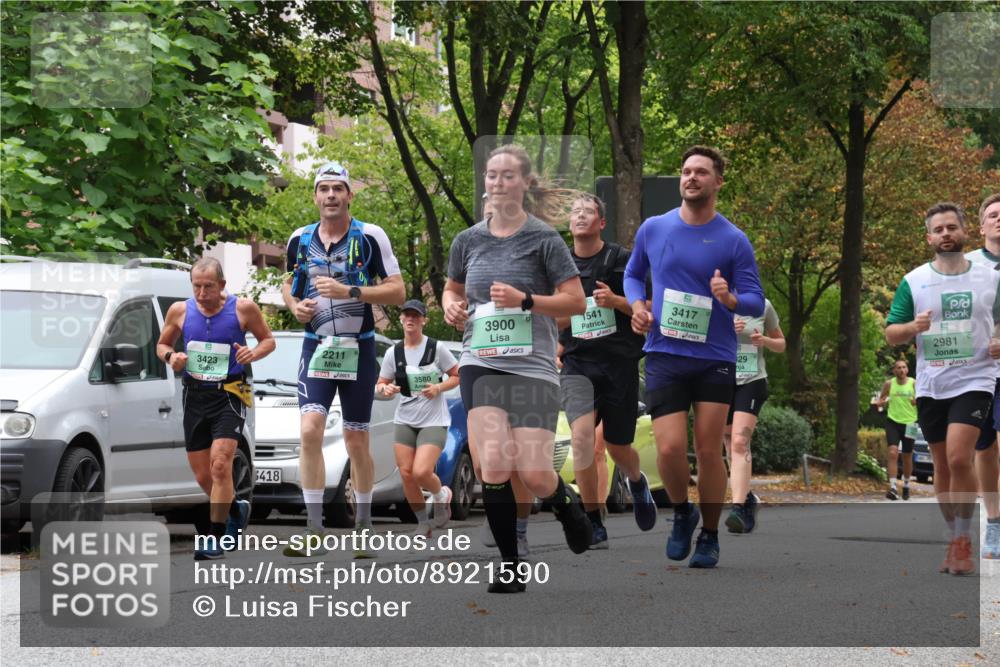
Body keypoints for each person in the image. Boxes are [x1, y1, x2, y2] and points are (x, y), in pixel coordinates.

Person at [443, 144, 591, 593]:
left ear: (525, 183)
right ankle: (510, 568)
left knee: (535, 474)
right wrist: (452, 307)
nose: (497, 183)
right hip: (480, 362)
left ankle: (567, 505)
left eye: (507, 176)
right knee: (493, 464)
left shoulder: (545, 239)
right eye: (491, 175)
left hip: (533, 368)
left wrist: (528, 300)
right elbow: (452, 290)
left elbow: (577, 302)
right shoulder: (467, 240)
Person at [624, 145, 765, 569]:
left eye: (701, 172)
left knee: (707, 450)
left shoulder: (733, 239)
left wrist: (731, 297)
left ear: (718, 181)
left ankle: (709, 533)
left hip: (714, 356)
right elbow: (633, 274)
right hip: (665, 351)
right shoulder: (654, 228)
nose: (691, 178)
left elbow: (755, 302)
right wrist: (637, 307)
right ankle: (681, 513)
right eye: (686, 171)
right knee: (668, 450)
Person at [281, 161, 405, 557]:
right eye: (324, 189)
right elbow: (289, 283)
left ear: (350, 195)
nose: (330, 195)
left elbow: (398, 291)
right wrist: (293, 305)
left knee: (356, 439)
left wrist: (350, 291)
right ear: (315, 196)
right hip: (315, 345)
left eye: (338, 188)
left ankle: (365, 526)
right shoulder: (299, 239)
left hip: (358, 346)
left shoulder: (370, 236)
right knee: (310, 431)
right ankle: (313, 528)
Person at [885, 201, 1000, 576]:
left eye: (952, 227)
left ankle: (966, 537)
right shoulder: (914, 280)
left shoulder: (990, 278)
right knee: (941, 466)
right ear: (929, 237)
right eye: (939, 229)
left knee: (957, 457)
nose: (946, 234)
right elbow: (891, 333)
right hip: (934, 384)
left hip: (976, 379)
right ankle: (954, 537)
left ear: (966, 231)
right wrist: (913, 328)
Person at [156, 257, 275, 560]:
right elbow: (161, 345)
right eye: (196, 286)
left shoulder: (243, 308)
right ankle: (235, 508)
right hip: (195, 396)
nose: (202, 292)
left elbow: (268, 341)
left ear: (222, 285)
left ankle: (213, 538)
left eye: (208, 286)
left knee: (220, 465)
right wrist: (172, 358)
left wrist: (253, 352)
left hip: (229, 393)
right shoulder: (180, 311)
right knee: (202, 475)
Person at [556, 193, 657, 549]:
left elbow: (645, 313)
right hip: (578, 364)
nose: (580, 216)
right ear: (569, 224)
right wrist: (570, 315)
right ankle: (593, 518)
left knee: (618, 446)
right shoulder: (560, 265)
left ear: (601, 222)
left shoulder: (619, 260)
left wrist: (614, 301)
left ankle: (636, 480)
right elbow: (553, 318)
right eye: (574, 212)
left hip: (619, 363)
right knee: (582, 440)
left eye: (588, 212)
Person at [375, 300, 460, 538]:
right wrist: (386, 389)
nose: (410, 319)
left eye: (416, 315)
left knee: (422, 471)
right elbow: (381, 383)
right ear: (401, 319)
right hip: (405, 418)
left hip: (434, 419)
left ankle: (441, 495)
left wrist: (439, 388)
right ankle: (423, 523)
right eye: (406, 315)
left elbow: (456, 376)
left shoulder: (436, 348)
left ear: (424, 320)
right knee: (406, 473)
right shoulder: (394, 351)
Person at [725, 297, 784, 532]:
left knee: (740, 441)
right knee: (729, 442)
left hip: (752, 379)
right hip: (721, 378)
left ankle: (738, 507)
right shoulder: (714, 302)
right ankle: (748, 497)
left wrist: (765, 340)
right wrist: (724, 331)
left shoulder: (763, 305)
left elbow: (781, 343)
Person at [966, 192, 1000, 558]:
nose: (999, 219)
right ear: (981, 226)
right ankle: (994, 523)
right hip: (975, 371)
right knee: (986, 449)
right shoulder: (967, 264)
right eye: (993, 214)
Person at [874, 360, 917, 501]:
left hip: (910, 423)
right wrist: (880, 404)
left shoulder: (914, 383)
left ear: (907, 370)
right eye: (898, 368)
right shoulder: (889, 384)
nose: (901, 370)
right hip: (893, 421)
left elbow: (922, 400)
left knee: (907, 456)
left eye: (904, 367)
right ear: (894, 371)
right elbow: (881, 400)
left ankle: (906, 485)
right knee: (892, 452)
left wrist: (917, 401)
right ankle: (892, 487)